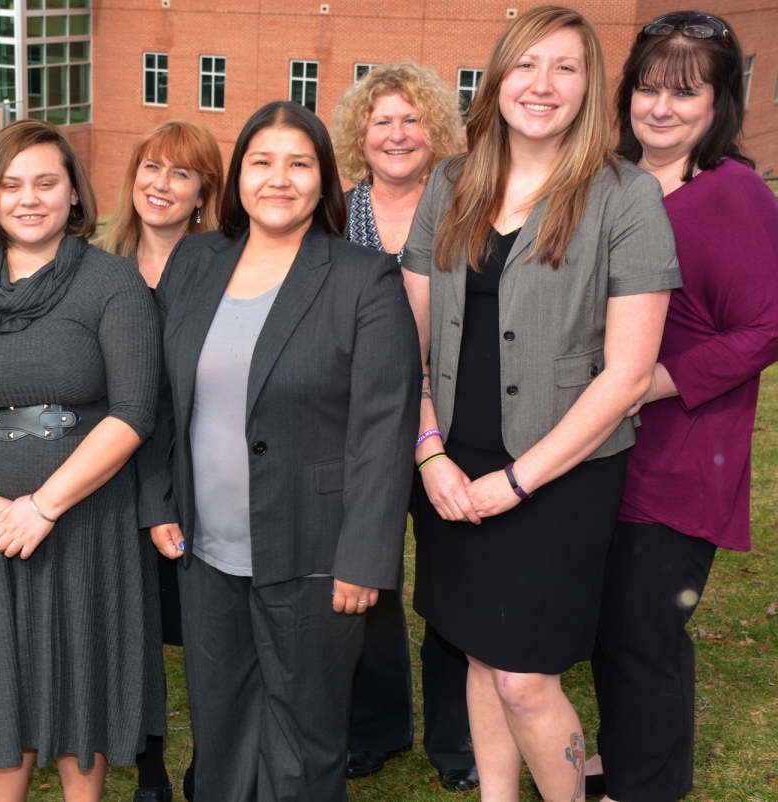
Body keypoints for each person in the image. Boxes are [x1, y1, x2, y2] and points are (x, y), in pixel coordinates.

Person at [403, 6, 683, 801]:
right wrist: (429, 452)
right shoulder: (452, 182)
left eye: (565, 67)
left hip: (560, 473)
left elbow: (629, 377)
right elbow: (410, 345)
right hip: (454, 463)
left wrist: (519, 481)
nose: (542, 84)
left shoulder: (626, 198)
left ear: (591, 86)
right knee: (478, 651)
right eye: (526, 65)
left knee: (526, 677)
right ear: (497, 79)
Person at [136, 100, 421, 801]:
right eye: (262, 162)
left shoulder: (363, 278)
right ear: (237, 178)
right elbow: (162, 398)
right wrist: (158, 500)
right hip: (206, 549)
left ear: (325, 180)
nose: (278, 179)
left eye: (299, 164)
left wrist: (364, 559)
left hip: (315, 553)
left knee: (304, 736)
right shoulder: (196, 261)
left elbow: (384, 433)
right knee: (222, 721)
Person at [0, 119, 164, 802]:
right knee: (1, 679)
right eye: (13, 184)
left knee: (80, 670)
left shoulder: (113, 284)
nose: (30, 199)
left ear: (75, 195)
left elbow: (134, 412)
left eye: (47, 182)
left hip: (85, 513)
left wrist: (44, 505)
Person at [586, 14, 778, 802]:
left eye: (685, 92)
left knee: (644, 639)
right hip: (599, 443)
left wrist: (652, 380)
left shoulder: (732, 194)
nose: (661, 108)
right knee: (609, 634)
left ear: (720, 101)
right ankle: (620, 766)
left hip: (679, 455)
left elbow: (765, 326)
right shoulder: (614, 178)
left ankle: (646, 788)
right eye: (648, 87)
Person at [330, 63, 477, 790]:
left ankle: (458, 740)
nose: (396, 134)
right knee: (370, 578)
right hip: (359, 422)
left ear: (436, 129)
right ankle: (378, 727)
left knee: (452, 580)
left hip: (450, 423)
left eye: (411, 119)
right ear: (361, 132)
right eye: (381, 120)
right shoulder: (336, 210)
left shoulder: (464, 207)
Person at [94, 118, 224, 802]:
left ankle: (211, 768)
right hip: (114, 485)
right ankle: (148, 771)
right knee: (133, 635)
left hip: (202, 483)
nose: (161, 184)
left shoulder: (227, 267)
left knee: (208, 638)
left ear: (205, 191)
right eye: (151, 167)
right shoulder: (99, 268)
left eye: (181, 172)